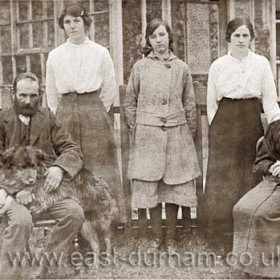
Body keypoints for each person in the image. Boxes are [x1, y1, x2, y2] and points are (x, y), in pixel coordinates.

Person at [201, 17, 280, 255]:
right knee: (223, 180)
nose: (241, 40)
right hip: (225, 123)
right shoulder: (218, 65)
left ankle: (247, 235)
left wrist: (277, 129)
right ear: (229, 38)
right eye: (237, 35)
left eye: (245, 35)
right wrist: (217, 129)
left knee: (248, 176)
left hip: (250, 122)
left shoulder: (261, 63)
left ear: (252, 38)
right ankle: (220, 237)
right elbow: (212, 103)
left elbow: (269, 100)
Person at [124, 19, 201, 250]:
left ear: (169, 38)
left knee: (174, 187)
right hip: (148, 136)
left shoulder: (181, 68)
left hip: (177, 134)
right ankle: (156, 236)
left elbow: (189, 104)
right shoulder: (140, 67)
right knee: (153, 187)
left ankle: (171, 238)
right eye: (154, 36)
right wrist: (138, 129)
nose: (159, 41)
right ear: (148, 40)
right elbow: (129, 102)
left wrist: (189, 131)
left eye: (162, 35)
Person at [45, 4, 126, 222]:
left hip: (94, 114)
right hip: (66, 114)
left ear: (85, 22)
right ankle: (75, 223)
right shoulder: (55, 55)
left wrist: (95, 111)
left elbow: (109, 89)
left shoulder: (100, 52)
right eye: (68, 22)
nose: (72, 26)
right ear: (63, 25)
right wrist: (62, 116)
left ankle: (106, 224)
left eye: (77, 21)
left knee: (98, 168)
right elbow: (51, 94)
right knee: (69, 166)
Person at [0, 72, 85, 279]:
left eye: (33, 95)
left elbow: (72, 149)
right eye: (22, 95)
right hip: (12, 192)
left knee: (74, 213)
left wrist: (59, 168)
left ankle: (42, 269)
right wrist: (15, 190)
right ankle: (10, 275)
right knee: (21, 222)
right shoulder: (2, 120)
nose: (28, 101)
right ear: (13, 94)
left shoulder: (48, 118)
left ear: (41, 94)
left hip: (43, 191)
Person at [232, 120, 280, 278]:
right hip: (273, 182)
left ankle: (271, 269)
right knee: (241, 208)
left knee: (262, 214)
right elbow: (261, 162)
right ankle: (250, 266)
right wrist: (271, 167)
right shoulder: (276, 127)